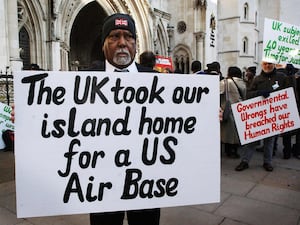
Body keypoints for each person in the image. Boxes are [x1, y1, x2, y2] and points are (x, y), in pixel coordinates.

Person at [84, 13, 161, 225]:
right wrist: (26, 117)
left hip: (146, 176)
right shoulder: (83, 79)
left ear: (136, 44)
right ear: (103, 44)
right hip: (101, 176)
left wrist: (206, 118)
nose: (122, 43)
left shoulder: (154, 79)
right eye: (114, 36)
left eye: (128, 36)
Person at [235, 61, 288, 172]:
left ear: (274, 64)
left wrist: (292, 76)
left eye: (269, 64)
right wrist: (260, 93)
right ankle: (245, 161)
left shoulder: (282, 77)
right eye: (265, 64)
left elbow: (289, 91)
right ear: (262, 65)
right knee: (252, 141)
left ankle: (267, 162)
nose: (267, 66)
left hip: (274, 114)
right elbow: (248, 94)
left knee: (270, 141)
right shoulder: (257, 79)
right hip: (259, 116)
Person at [220, 66, 246, 158]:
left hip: (226, 110)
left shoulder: (224, 82)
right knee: (237, 132)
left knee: (227, 133)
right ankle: (234, 151)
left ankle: (227, 151)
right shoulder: (242, 83)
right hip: (239, 110)